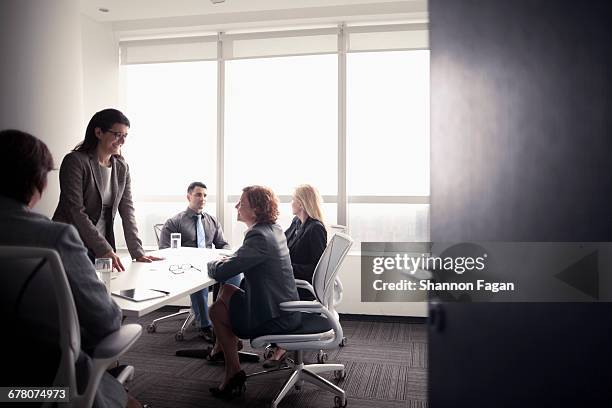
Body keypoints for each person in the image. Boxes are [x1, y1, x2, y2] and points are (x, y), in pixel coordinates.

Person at [0, 129, 144, 408]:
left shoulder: (118, 167)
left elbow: (126, 209)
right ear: (37, 183)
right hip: (39, 387)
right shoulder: (55, 238)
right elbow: (105, 323)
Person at [206, 186, 302, 399]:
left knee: (216, 310)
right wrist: (228, 261)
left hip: (275, 316)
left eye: (242, 203)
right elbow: (240, 261)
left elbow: (223, 270)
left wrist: (213, 263)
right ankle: (226, 350)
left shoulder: (258, 236)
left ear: (256, 209)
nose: (237, 206)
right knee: (227, 290)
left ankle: (231, 366)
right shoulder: (272, 229)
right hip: (283, 306)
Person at [53, 108, 161, 271]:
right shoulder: (75, 161)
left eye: (125, 136)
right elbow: (75, 211)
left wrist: (138, 252)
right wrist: (104, 248)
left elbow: (127, 210)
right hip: (72, 242)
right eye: (117, 135)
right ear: (98, 132)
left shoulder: (121, 167)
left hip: (102, 246)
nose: (122, 141)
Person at [159, 181, 241, 342]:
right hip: (185, 270)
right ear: (188, 196)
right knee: (199, 281)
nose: (202, 198)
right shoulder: (174, 222)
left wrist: (225, 256)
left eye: (204, 195)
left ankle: (227, 319)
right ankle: (205, 325)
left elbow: (223, 245)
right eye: (198, 194)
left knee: (235, 273)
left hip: (209, 266)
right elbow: (165, 250)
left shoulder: (212, 221)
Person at [263, 184, 328, 368]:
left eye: (293, 199)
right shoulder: (297, 223)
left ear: (302, 202)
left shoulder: (315, 229)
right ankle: (278, 338)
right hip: (291, 280)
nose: (291, 203)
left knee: (264, 292)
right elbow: (281, 244)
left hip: (303, 286)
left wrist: (287, 268)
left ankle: (281, 344)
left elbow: (316, 268)